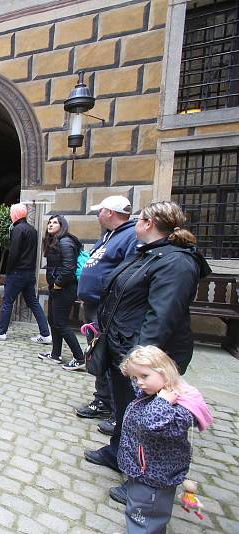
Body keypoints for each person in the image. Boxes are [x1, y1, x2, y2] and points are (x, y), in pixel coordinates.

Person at [83, 201, 210, 506]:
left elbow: (162, 315)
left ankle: (142, 481)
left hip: (146, 356)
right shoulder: (149, 252)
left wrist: (142, 362)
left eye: (139, 219)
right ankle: (117, 452)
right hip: (123, 346)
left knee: (148, 419)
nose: (135, 223)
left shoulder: (176, 262)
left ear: (150, 222)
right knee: (126, 408)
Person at [117, 346, 212, 534]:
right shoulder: (153, 395)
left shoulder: (177, 408)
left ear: (164, 373)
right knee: (137, 509)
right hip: (142, 470)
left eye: (144, 376)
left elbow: (151, 424)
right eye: (135, 378)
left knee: (146, 517)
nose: (139, 383)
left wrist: (163, 402)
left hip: (154, 476)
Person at [75, 196, 137, 436]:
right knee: (96, 353)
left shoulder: (129, 236)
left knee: (109, 355)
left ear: (110, 212)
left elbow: (128, 273)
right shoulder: (110, 235)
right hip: (94, 304)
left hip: (108, 308)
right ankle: (102, 400)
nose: (97, 215)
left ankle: (116, 408)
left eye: (99, 211)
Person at [0, 203, 51, 343]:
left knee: (7, 302)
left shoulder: (17, 229)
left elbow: (14, 253)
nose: (10, 215)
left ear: (15, 214)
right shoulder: (32, 230)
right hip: (29, 273)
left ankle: (1, 332)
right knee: (33, 302)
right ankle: (45, 334)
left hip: (17, 272)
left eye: (11, 213)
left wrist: (8, 271)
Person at [37, 214, 84, 366]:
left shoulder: (65, 242)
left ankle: (79, 357)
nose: (50, 225)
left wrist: (58, 284)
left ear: (62, 225)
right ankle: (55, 354)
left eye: (55, 223)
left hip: (64, 289)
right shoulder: (55, 241)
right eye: (49, 222)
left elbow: (68, 268)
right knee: (53, 321)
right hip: (57, 288)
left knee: (61, 324)